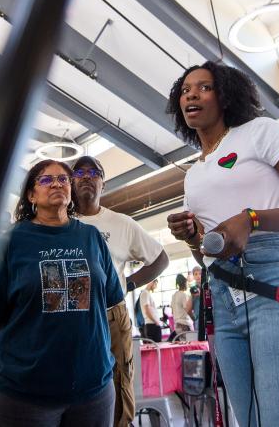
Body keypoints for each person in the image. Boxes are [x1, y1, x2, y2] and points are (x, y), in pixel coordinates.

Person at [165, 62, 279, 427]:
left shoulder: (260, 132)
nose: (191, 94)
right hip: (222, 293)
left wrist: (252, 218)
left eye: (204, 87)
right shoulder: (193, 174)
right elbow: (206, 254)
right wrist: (193, 236)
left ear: (225, 95)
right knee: (250, 421)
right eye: (184, 90)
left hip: (273, 279)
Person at [0, 160, 124, 427]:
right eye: (46, 180)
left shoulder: (92, 238)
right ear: (31, 195)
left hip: (93, 392)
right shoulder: (9, 242)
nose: (57, 183)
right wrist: (29, 354)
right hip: (25, 396)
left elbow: (108, 303)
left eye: (64, 179)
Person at [71, 154, 168, 427]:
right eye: (79, 173)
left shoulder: (121, 223)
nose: (87, 176)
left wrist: (127, 285)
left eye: (94, 172)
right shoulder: (61, 221)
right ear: (71, 182)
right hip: (69, 317)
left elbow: (160, 258)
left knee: (119, 381)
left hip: (110, 315)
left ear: (104, 184)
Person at [169, 274, 194, 340]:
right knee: (189, 345)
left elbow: (172, 311)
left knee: (183, 344)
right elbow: (188, 309)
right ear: (184, 283)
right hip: (184, 324)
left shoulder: (174, 295)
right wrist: (194, 318)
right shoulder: (183, 295)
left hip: (177, 325)